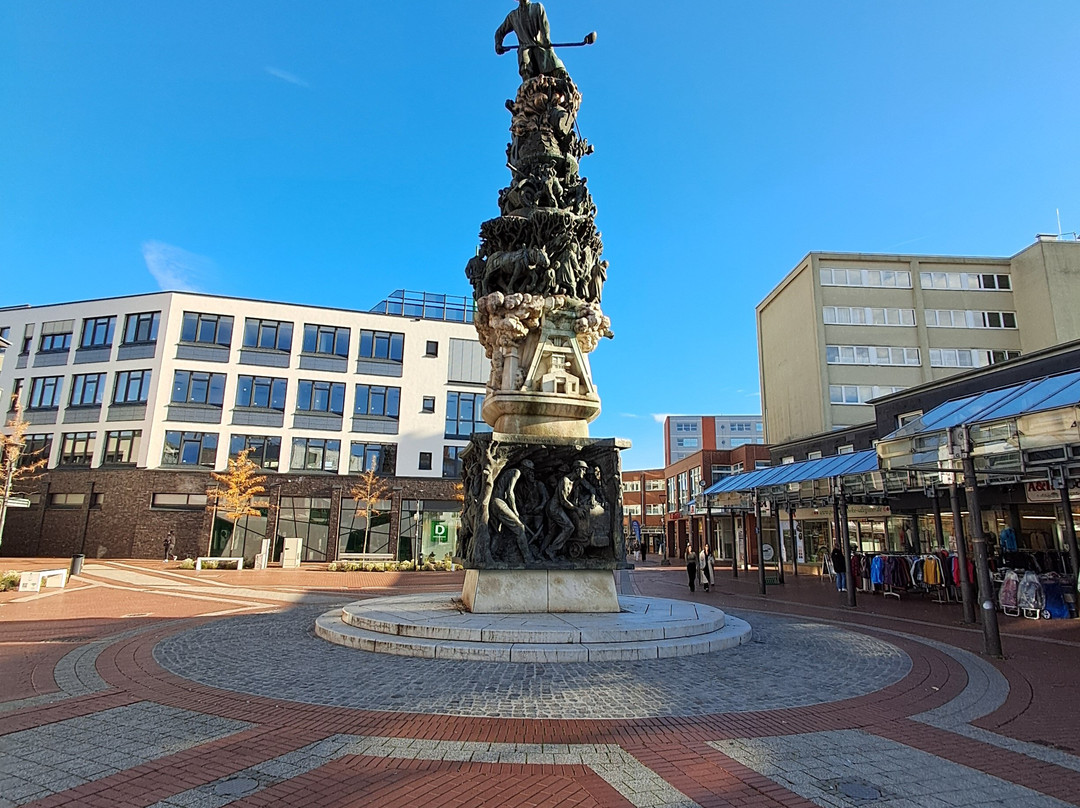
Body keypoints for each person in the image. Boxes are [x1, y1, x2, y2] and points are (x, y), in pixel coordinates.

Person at [495, 0, 569, 81]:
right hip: (525, 49)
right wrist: (498, 44)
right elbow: (499, 32)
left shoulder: (537, 7)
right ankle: (529, 89)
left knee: (556, 67)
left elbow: (545, 28)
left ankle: (565, 84)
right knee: (526, 69)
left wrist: (546, 42)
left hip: (540, 45)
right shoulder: (513, 16)